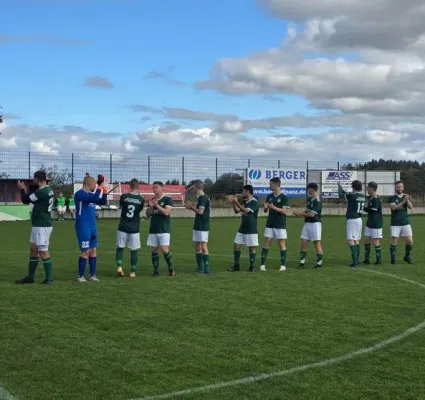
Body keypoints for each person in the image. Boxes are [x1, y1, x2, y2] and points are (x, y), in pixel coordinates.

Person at [16, 171, 55, 284]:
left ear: (37, 179)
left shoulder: (42, 191)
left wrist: (22, 188)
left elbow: (25, 200)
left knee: (43, 251)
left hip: (42, 225)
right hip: (38, 224)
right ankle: (30, 277)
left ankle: (49, 279)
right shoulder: (48, 190)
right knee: (33, 249)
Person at [74, 175, 108, 282]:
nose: (96, 186)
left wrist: (105, 190)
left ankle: (92, 275)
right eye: (95, 184)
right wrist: (99, 188)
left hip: (93, 226)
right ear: (89, 184)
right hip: (83, 225)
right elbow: (93, 198)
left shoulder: (90, 195)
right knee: (85, 251)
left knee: (93, 250)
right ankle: (81, 276)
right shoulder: (79, 194)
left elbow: (102, 202)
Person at [116, 178, 145, 278]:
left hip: (123, 226)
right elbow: (139, 210)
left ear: (130, 186)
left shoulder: (124, 196)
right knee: (133, 250)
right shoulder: (141, 199)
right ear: (138, 187)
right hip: (134, 228)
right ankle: (133, 271)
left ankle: (119, 267)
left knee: (120, 247)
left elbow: (121, 206)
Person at [260, 177, 290, 272]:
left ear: (276, 184)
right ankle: (262, 265)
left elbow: (284, 211)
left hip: (280, 225)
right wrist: (265, 207)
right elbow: (265, 210)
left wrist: (273, 207)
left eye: (271, 184)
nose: (270, 186)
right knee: (266, 244)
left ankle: (283, 265)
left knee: (281, 245)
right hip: (270, 224)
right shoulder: (269, 196)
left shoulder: (284, 197)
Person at [146, 181, 175, 276]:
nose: (154, 189)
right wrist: (150, 207)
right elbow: (147, 214)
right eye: (153, 188)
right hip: (153, 228)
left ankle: (171, 268)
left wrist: (157, 205)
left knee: (164, 249)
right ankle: (155, 271)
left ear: (162, 187)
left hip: (164, 228)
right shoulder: (152, 200)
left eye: (156, 187)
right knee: (154, 249)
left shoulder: (167, 199)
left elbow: (167, 212)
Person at [227, 185, 259, 272]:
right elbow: (237, 211)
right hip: (242, 228)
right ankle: (236, 265)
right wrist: (234, 203)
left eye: (243, 191)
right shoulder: (245, 202)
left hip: (251, 229)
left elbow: (246, 211)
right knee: (236, 245)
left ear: (248, 191)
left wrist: (236, 202)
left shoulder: (254, 202)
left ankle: (252, 267)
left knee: (252, 248)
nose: (242, 193)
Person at [293, 183, 323, 268]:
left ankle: (319, 263)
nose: (307, 190)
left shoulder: (318, 201)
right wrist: (300, 212)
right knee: (304, 242)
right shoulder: (310, 199)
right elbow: (307, 210)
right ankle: (302, 263)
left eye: (308, 189)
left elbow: (312, 214)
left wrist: (300, 214)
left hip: (315, 224)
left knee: (316, 243)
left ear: (312, 189)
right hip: (307, 223)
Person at [185, 180, 211, 274]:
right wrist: (190, 206)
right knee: (197, 245)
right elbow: (198, 208)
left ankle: (206, 268)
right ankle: (200, 268)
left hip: (203, 226)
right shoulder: (200, 198)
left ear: (196, 187)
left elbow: (200, 212)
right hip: (198, 225)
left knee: (203, 246)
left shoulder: (204, 198)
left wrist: (191, 207)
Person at [338, 180, 366, 268]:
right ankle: (357, 260)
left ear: (353, 187)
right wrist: (342, 189)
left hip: (352, 219)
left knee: (350, 240)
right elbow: (347, 194)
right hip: (359, 219)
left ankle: (355, 262)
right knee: (356, 240)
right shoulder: (363, 196)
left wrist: (339, 187)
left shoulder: (352, 196)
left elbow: (341, 195)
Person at [389, 181, 413, 264]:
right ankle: (393, 260)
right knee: (395, 241)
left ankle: (407, 256)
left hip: (405, 222)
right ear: (395, 188)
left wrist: (407, 200)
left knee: (410, 241)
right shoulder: (392, 198)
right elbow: (394, 208)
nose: (400, 188)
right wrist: (403, 202)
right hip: (395, 222)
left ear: (403, 187)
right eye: (398, 187)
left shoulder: (405, 197)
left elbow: (410, 207)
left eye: (401, 187)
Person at [363, 182, 383, 265]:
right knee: (366, 240)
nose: (367, 189)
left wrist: (364, 208)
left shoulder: (376, 199)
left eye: (368, 187)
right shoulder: (370, 198)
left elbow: (373, 211)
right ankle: (366, 259)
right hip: (369, 222)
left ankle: (378, 260)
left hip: (376, 223)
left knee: (375, 241)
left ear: (371, 188)